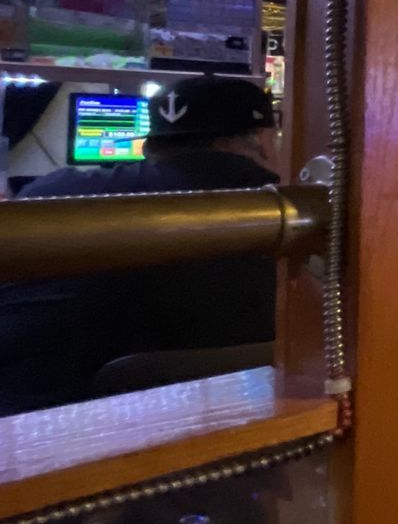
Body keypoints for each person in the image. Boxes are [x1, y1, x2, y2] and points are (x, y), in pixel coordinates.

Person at [0, 74, 281, 415]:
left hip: (32, 429)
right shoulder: (304, 213)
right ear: (266, 141)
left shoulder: (48, 194)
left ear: (149, 146)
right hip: (250, 427)